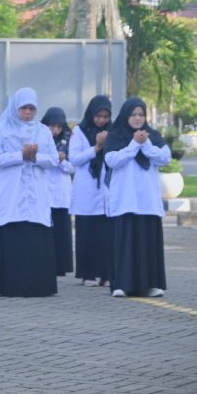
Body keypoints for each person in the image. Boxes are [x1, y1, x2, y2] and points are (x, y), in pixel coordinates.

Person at [0, 88, 59, 298]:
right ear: (16, 108)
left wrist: (35, 157)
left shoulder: (43, 131)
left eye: (31, 108)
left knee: (35, 236)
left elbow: (53, 159)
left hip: (36, 191)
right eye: (24, 108)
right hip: (12, 191)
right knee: (14, 235)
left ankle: (39, 286)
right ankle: (11, 285)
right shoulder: (2, 129)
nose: (27, 112)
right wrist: (20, 155)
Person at [103, 98, 170, 298]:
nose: (138, 118)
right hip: (125, 200)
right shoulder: (115, 135)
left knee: (148, 243)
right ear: (126, 116)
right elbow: (112, 160)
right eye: (133, 114)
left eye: (141, 114)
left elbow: (164, 157)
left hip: (147, 200)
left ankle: (151, 285)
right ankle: (120, 285)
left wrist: (145, 144)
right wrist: (134, 144)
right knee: (125, 243)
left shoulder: (153, 136)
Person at [69, 95, 114, 286]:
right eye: (98, 116)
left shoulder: (113, 131)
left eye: (105, 116)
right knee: (87, 234)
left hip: (106, 190)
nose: (101, 120)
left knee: (106, 236)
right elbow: (74, 159)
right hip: (87, 189)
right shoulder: (79, 131)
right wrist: (96, 147)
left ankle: (106, 273)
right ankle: (88, 274)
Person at [41, 107, 75, 277]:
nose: (55, 130)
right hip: (45, 188)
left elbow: (72, 167)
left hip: (61, 190)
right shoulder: (39, 139)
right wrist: (54, 158)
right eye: (51, 126)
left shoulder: (68, 141)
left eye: (58, 127)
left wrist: (61, 161)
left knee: (61, 229)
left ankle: (62, 265)